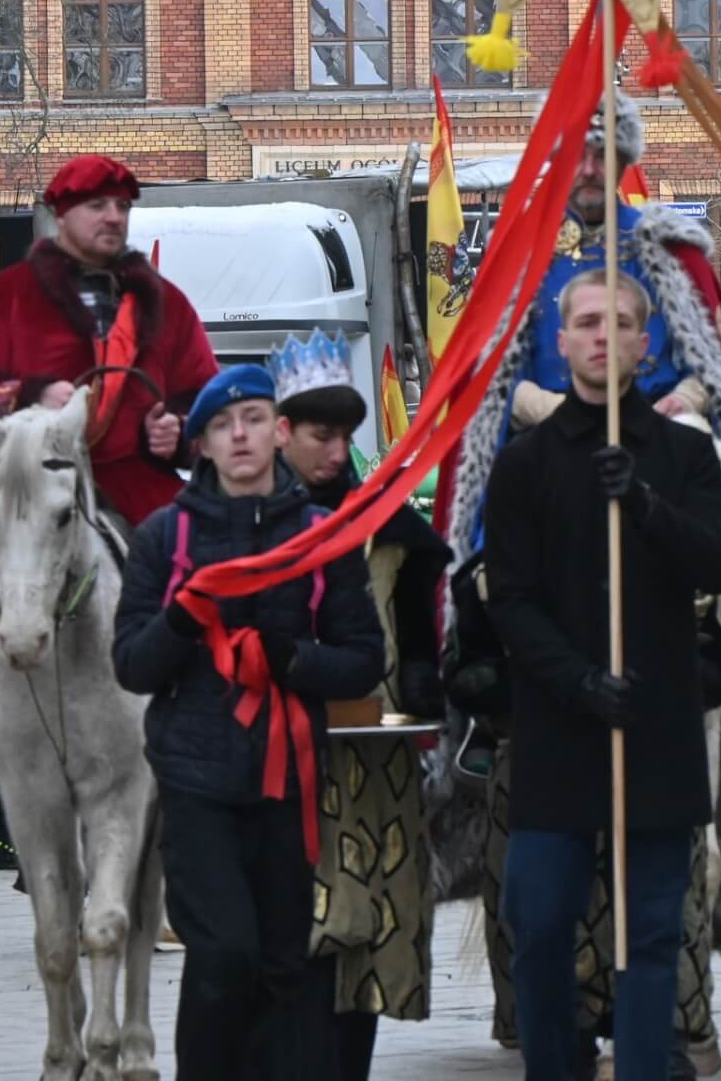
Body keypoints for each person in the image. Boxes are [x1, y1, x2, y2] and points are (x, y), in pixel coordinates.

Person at [442, 93, 721, 1069]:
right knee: (475, 582)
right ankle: (465, 731)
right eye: (579, 158)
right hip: (539, 453)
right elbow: (481, 369)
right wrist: (524, 398)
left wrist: (665, 418)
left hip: (663, 446)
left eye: (607, 156)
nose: (593, 173)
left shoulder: (671, 251)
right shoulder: (516, 258)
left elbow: (710, 368)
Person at [0, 154, 219, 834]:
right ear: (63, 216)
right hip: (25, 472)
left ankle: (213, 731)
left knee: (205, 575)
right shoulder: (6, 297)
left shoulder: (165, 305)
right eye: (98, 205)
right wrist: (31, 395)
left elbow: (203, 397)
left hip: (128, 475)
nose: (114, 216)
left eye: (122, 206)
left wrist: (177, 425)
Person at [482, 270, 721, 1081]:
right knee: (542, 926)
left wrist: (650, 505)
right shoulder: (524, 465)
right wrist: (576, 680)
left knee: (651, 935)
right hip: (559, 730)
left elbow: (718, 559)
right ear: (561, 343)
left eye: (620, 322)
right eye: (587, 322)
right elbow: (512, 601)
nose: (602, 335)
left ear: (645, 342)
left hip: (654, 726)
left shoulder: (686, 454)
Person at [114, 363, 385, 1079]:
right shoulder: (161, 539)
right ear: (201, 443)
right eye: (223, 426)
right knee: (223, 952)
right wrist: (181, 617)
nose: (241, 435)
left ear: (279, 430)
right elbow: (132, 666)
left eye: (255, 420)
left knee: (281, 963)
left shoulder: (321, 537)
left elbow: (363, 660)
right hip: (195, 780)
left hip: (286, 780)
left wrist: (291, 659)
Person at [275, 329, 449, 1077]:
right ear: (282, 432)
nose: (336, 452)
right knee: (301, 934)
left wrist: (424, 685)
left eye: (345, 435)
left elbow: (418, 633)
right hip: (281, 761)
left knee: (375, 932)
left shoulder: (385, 523)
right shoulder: (247, 521)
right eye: (321, 434)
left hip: (375, 761)